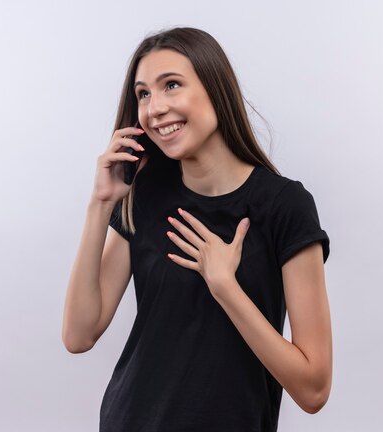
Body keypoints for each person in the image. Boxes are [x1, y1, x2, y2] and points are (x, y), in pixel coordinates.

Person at [62, 26, 333, 432]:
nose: (154, 108)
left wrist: (225, 286)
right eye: (143, 94)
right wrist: (101, 204)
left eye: (171, 85)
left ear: (214, 87)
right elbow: (78, 335)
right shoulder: (145, 193)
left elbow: (313, 390)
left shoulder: (284, 206)